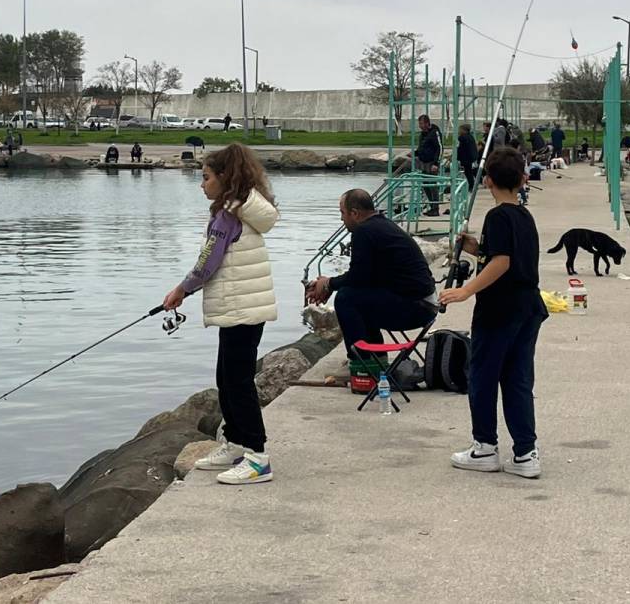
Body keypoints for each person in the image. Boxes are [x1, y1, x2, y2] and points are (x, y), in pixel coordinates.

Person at [161, 142, 279, 485]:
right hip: (241, 307)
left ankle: (257, 457)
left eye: (206, 176)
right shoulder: (243, 206)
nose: (201, 184)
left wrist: (180, 290)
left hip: (241, 307)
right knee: (226, 379)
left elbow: (207, 263)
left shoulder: (229, 212)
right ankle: (237, 443)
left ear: (225, 177)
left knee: (237, 383)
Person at [439, 146, 546, 479]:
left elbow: (503, 262)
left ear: (487, 181)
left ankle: (484, 446)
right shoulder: (523, 215)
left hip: (499, 311)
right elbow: (500, 253)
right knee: (517, 380)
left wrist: (465, 290)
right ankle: (525, 454)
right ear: (522, 180)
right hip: (527, 309)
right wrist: (477, 247)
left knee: (483, 377)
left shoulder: (497, 216)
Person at [306, 188, 437, 359]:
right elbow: (364, 276)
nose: (341, 219)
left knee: (346, 298)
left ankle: (361, 361)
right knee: (359, 296)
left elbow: (357, 277)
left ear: (354, 213)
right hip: (425, 304)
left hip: (416, 307)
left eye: (342, 213)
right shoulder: (381, 225)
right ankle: (375, 357)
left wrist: (329, 283)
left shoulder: (364, 231)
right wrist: (329, 284)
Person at [414, 114, 444, 216]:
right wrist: (415, 153)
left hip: (432, 163)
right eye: (419, 124)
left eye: (421, 123)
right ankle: (432, 207)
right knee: (425, 184)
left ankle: (435, 208)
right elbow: (421, 148)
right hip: (424, 163)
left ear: (427, 123)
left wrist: (436, 163)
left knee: (432, 185)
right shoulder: (423, 134)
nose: (420, 126)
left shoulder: (434, 132)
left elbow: (439, 148)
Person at [457, 124, 478, 190]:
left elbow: (461, 149)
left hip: (467, 158)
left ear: (464, 130)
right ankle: (472, 185)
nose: (459, 131)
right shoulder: (470, 137)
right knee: (469, 172)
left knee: (468, 172)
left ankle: (472, 185)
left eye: (460, 129)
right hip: (470, 157)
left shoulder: (463, 138)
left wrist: (458, 157)